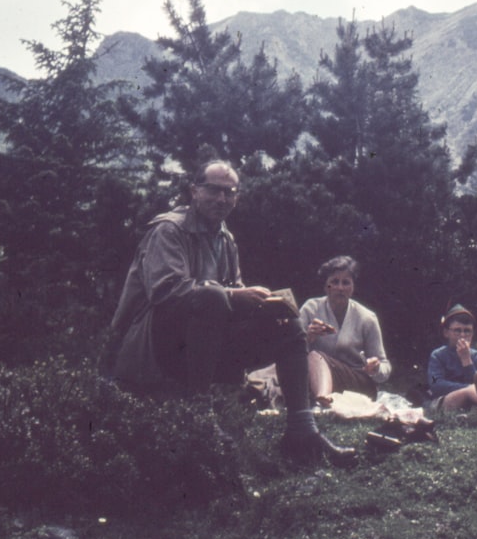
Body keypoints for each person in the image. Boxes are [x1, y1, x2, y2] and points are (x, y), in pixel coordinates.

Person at [107, 159, 355, 465]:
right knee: (211, 295)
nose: (222, 199)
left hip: (202, 343)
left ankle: (301, 430)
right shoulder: (168, 230)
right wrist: (235, 295)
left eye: (230, 192)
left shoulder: (225, 240)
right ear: (194, 191)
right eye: (213, 190)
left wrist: (262, 305)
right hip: (153, 346)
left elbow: (232, 300)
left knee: (286, 319)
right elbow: (166, 292)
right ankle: (200, 416)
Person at [300, 256, 391, 405]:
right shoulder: (311, 309)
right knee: (313, 357)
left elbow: (384, 367)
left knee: (317, 356)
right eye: (334, 282)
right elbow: (291, 351)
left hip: (356, 383)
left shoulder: (367, 318)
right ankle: (322, 397)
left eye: (346, 282)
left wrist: (376, 368)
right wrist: (307, 338)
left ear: (353, 287)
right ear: (326, 286)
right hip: (315, 377)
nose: (340, 288)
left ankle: (322, 399)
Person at [427, 304, 477, 414]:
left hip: (473, 401)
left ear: (472, 333)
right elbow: (436, 385)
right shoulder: (437, 355)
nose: (462, 335)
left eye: (467, 331)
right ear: (446, 333)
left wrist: (467, 361)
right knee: (469, 391)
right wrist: (469, 388)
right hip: (444, 400)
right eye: (457, 330)